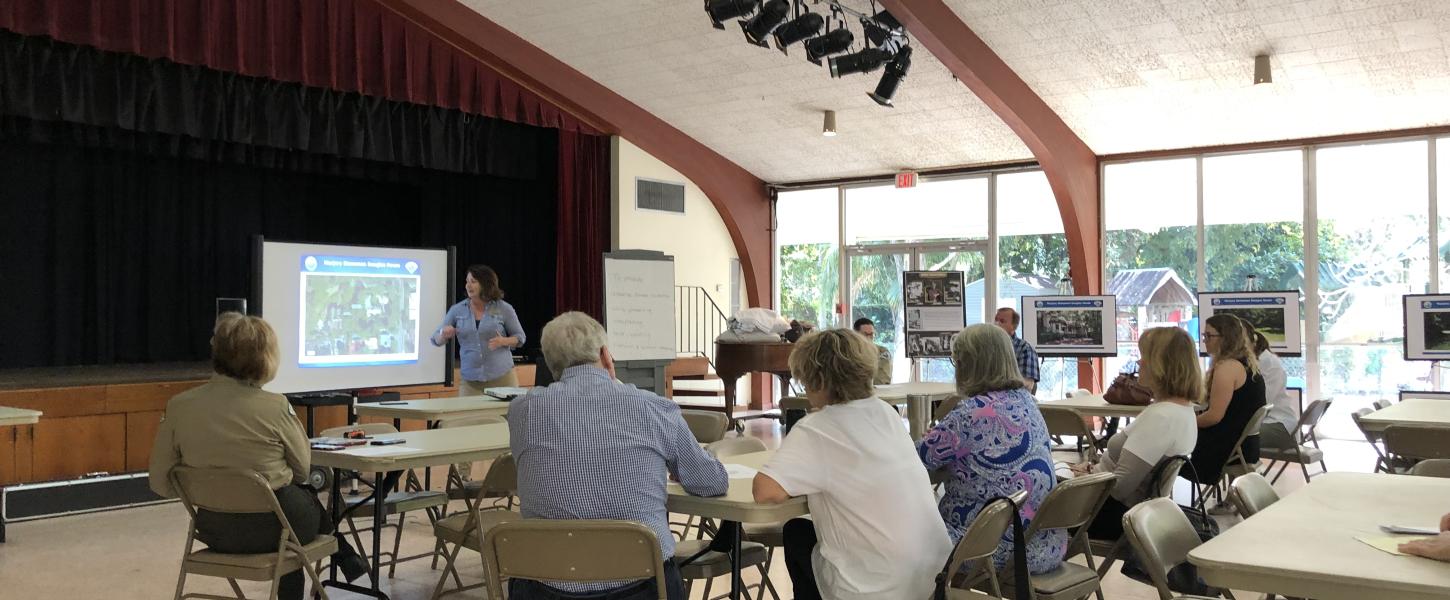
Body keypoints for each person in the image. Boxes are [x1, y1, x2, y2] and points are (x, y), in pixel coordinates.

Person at [509, 312, 728, 600]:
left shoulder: (522, 412)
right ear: (605, 355)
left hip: (544, 587)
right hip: (641, 586)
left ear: (551, 364)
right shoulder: (654, 408)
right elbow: (712, 483)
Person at [148, 313, 366, 600]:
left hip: (213, 529)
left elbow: (159, 482)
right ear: (266, 357)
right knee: (297, 505)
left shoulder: (179, 406)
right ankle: (345, 555)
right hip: (277, 530)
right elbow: (302, 470)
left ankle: (347, 556)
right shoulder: (275, 407)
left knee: (290, 510)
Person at [753, 329, 950, 600]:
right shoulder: (886, 413)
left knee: (796, 532)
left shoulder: (817, 428)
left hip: (875, 589)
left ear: (818, 380)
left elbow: (765, 492)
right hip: (934, 580)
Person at [919, 323, 1066, 575]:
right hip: (1046, 543)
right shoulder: (1028, 402)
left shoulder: (969, 414)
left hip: (991, 550)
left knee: (898, 535)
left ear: (968, 364)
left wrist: (934, 441)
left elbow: (914, 459)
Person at [1072, 327, 1200, 540]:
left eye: (1145, 357)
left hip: (1109, 515)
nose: (1139, 363)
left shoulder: (1161, 417)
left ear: (1162, 365)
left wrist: (1087, 477)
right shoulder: (1184, 410)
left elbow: (1120, 489)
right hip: (1136, 512)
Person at [1187, 314, 1266, 485]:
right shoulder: (1246, 363)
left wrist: (1185, 422)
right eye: (1204, 336)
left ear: (1226, 338)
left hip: (1225, 446)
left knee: (1163, 453)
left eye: (1209, 336)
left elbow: (1214, 416)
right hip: (1246, 444)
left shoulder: (1227, 367)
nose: (1205, 340)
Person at [431, 264, 526, 395]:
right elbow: (435, 339)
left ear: (485, 283)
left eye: (473, 281)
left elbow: (520, 337)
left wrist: (504, 341)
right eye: (467, 281)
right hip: (470, 382)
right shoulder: (457, 310)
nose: (468, 285)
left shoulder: (504, 308)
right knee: (467, 415)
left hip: (502, 378)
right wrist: (443, 334)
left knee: (507, 415)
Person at [1253, 331, 1297, 451]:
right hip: (1275, 422)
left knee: (1237, 437)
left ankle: (1243, 469)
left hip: (1280, 426)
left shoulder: (1268, 363)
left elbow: (1262, 402)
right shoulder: (1265, 361)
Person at [994, 307, 1040, 393]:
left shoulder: (1025, 349)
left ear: (1013, 326)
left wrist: (996, 385)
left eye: (1002, 321)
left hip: (1014, 402)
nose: (996, 324)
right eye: (996, 320)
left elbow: (1027, 385)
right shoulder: (988, 347)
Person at [852, 317, 892, 385]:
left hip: (878, 392)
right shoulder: (848, 352)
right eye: (865, 334)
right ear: (855, 335)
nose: (869, 338)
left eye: (871, 334)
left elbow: (880, 380)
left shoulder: (882, 352)